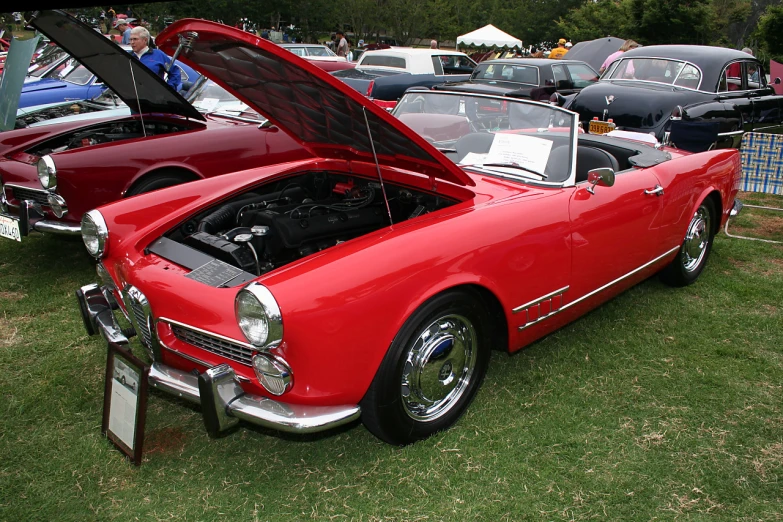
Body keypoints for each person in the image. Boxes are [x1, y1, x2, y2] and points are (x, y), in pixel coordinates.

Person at [129, 26, 182, 91]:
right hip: (132, 97)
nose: (132, 42)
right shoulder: (127, 56)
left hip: (155, 97)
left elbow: (175, 72)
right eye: (130, 39)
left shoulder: (158, 55)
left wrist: (169, 88)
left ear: (145, 40)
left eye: (135, 39)